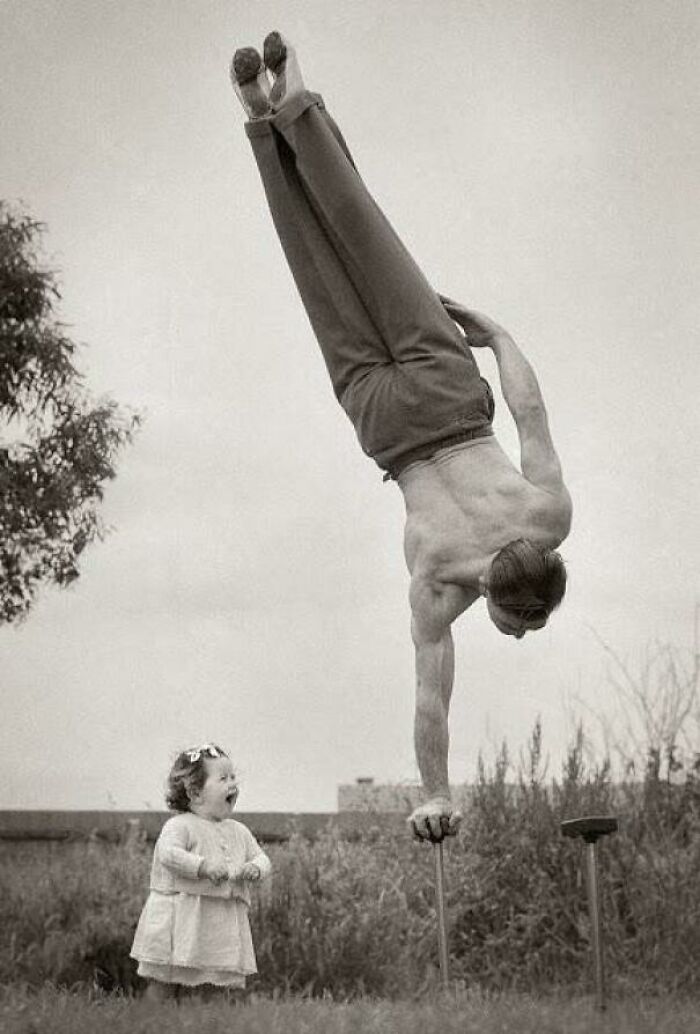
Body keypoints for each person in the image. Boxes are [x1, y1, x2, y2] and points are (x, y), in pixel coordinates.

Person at [230, 34, 572, 844]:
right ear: (493, 595)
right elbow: (430, 698)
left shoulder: (550, 518)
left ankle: (293, 100)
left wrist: (498, 334)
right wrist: (436, 794)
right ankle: (258, 118)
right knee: (314, 263)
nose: (519, 636)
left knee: (361, 232)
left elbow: (529, 411)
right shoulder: (439, 589)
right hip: (387, 423)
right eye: (524, 626)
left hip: (450, 394)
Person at [130, 743, 271, 1000]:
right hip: (181, 916)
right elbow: (168, 854)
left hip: (217, 920)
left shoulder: (238, 830)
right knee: (165, 977)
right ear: (195, 793)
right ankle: (153, 1019)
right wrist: (202, 866)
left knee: (215, 978)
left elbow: (262, 857)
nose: (232, 784)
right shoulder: (180, 825)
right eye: (223, 778)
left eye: (233, 777)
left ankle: (207, 1021)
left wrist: (255, 868)